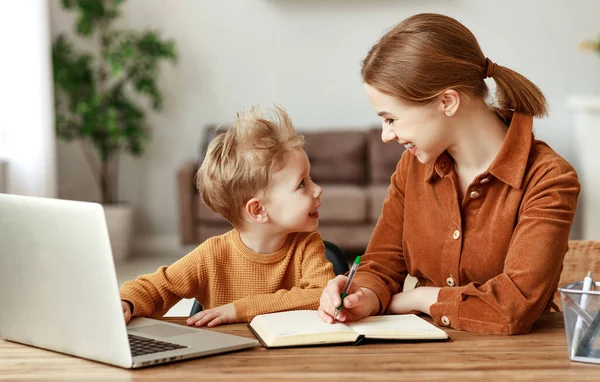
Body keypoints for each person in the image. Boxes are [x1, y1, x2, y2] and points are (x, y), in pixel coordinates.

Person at [318, 13, 580, 335]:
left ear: (447, 101)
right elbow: (381, 264)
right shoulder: (411, 166)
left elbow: (513, 308)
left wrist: (418, 299)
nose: (386, 135)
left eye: (392, 119)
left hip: (516, 361)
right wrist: (365, 295)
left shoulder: (548, 178)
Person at [121, 106, 334, 327]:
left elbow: (321, 294)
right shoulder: (211, 256)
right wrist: (126, 302)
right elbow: (157, 287)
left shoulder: (307, 245)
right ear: (259, 210)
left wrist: (240, 309)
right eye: (302, 183)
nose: (318, 189)